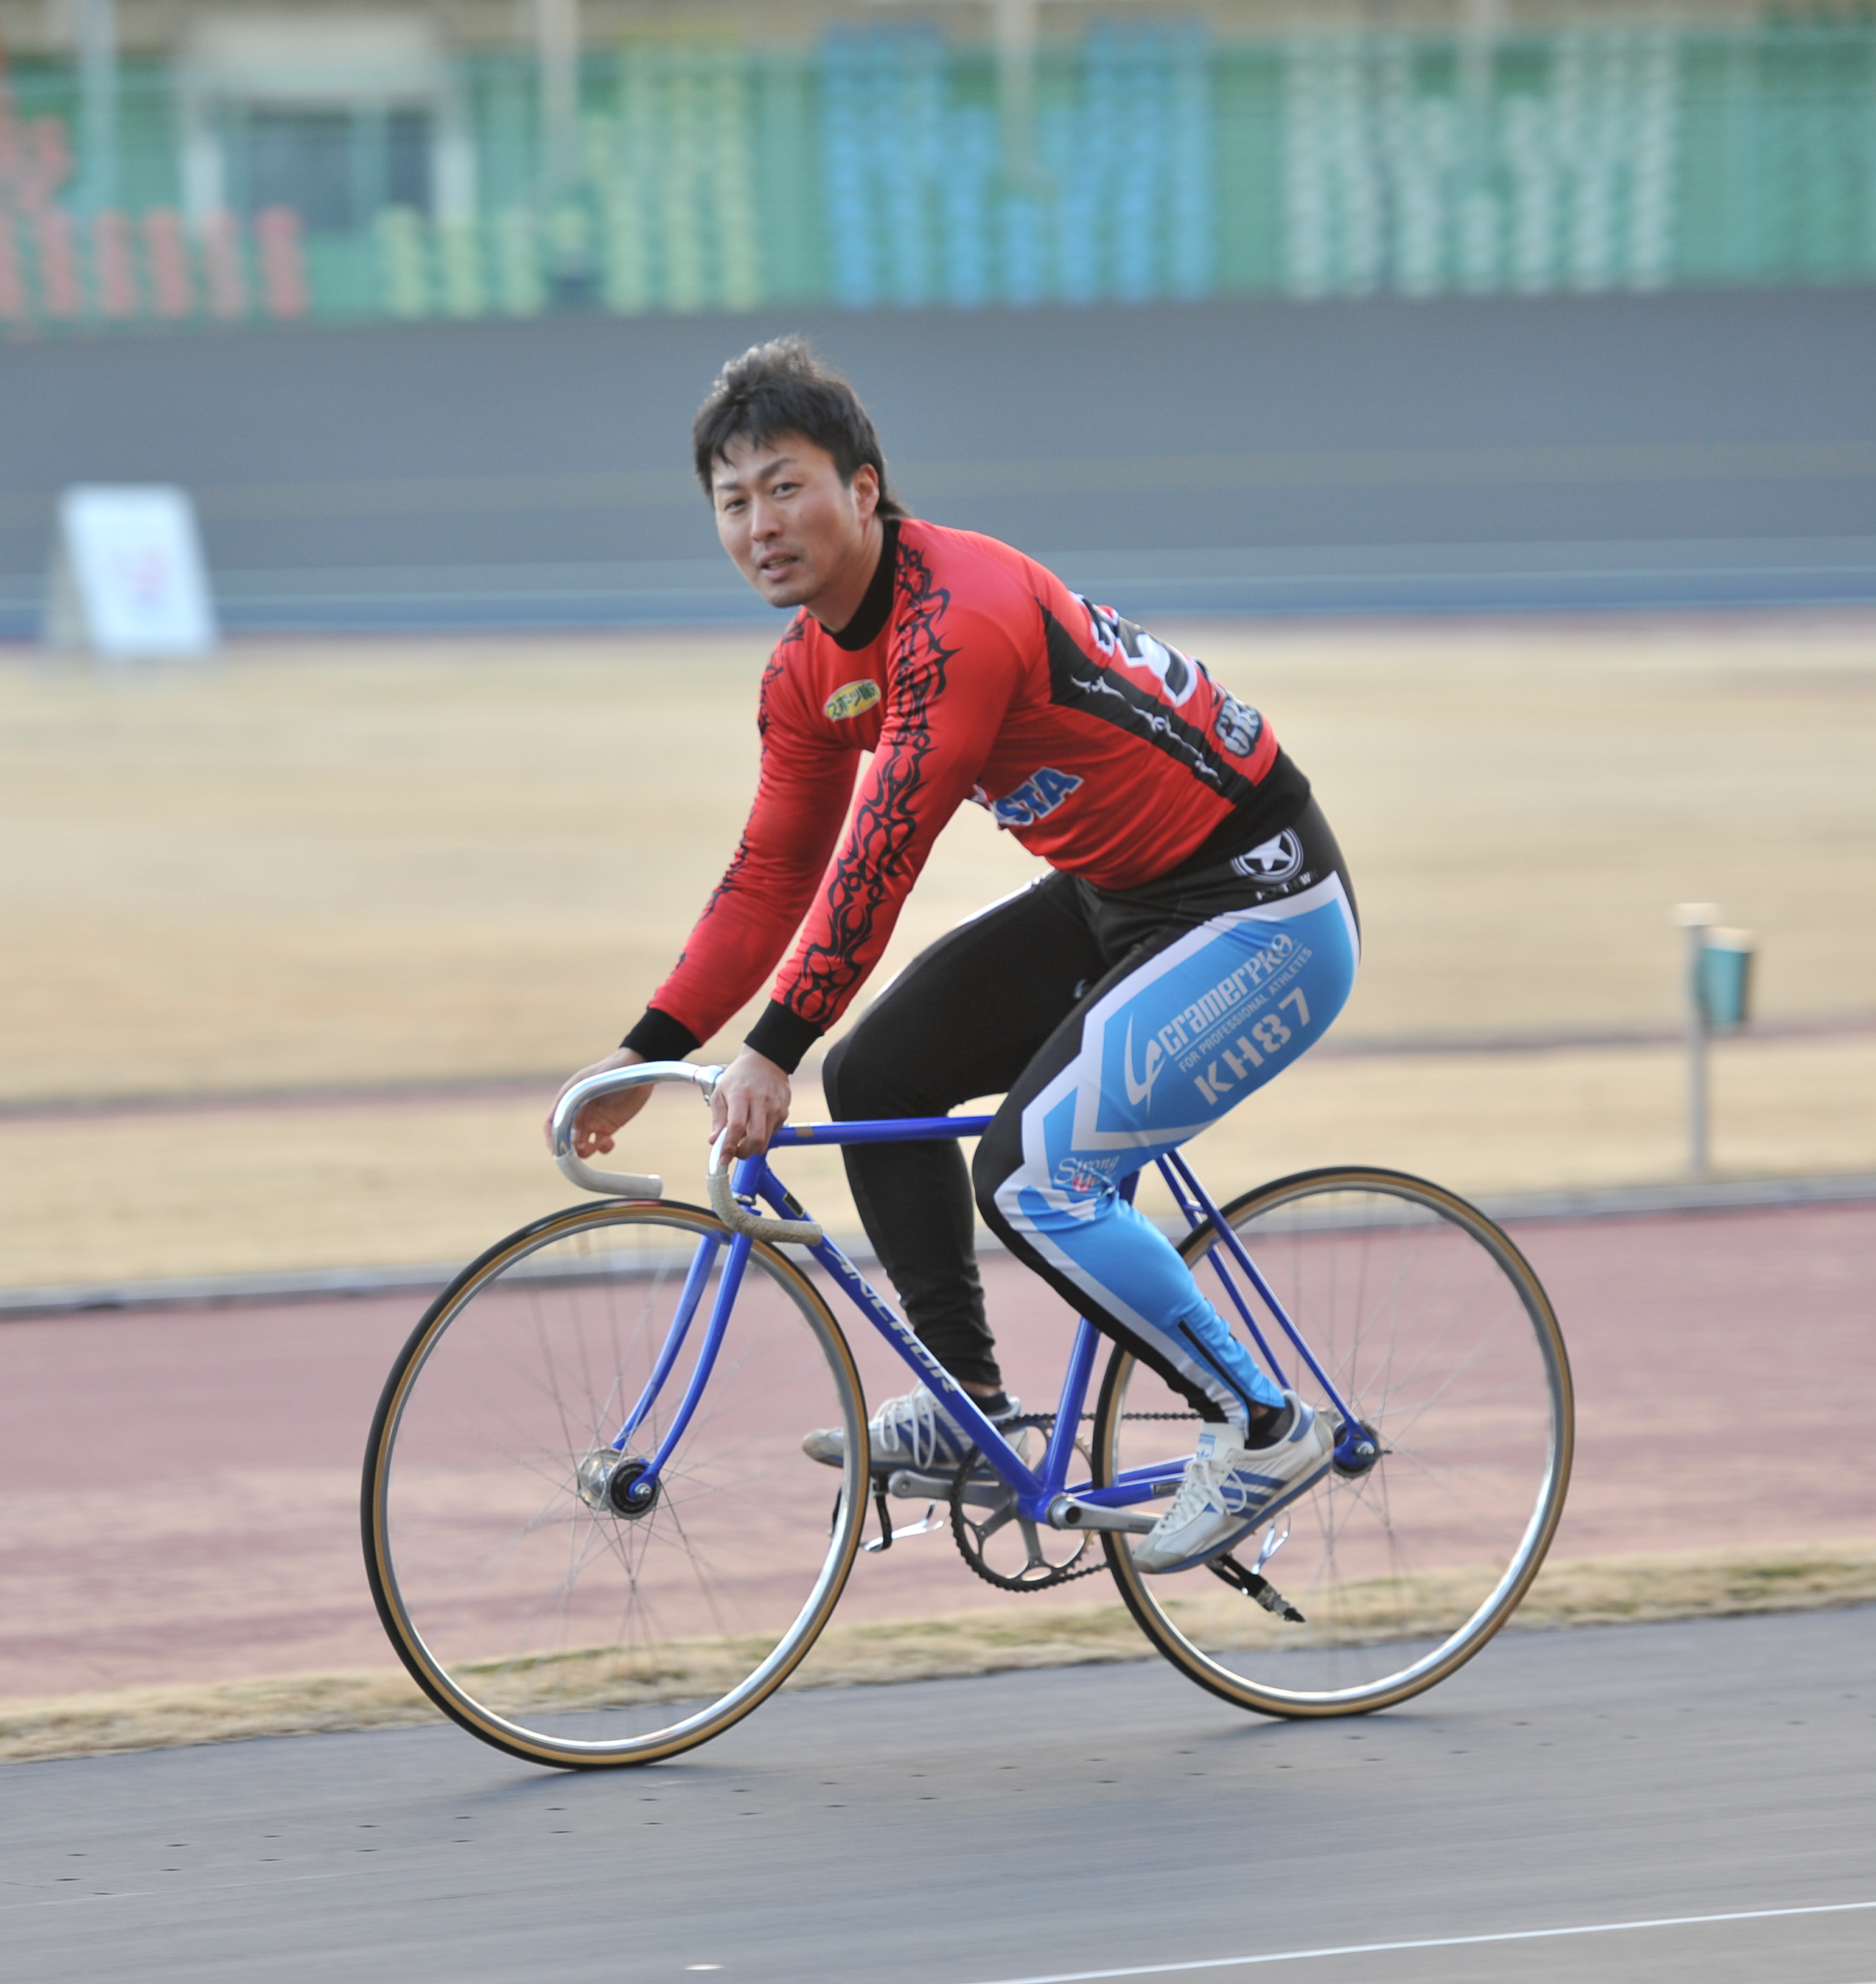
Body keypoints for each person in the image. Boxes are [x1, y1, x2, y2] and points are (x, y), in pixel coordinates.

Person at [553, 337, 1360, 1574]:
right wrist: (645, 1050)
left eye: (788, 486)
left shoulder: (957, 618)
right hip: (1117, 899)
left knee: (1034, 1178)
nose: (761, 523)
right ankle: (972, 1409)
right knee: (875, 1078)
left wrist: (769, 1046)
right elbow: (772, 875)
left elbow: (878, 866)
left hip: (1262, 908)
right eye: (732, 500)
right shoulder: (808, 673)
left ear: (864, 490)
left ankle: (1259, 1423)